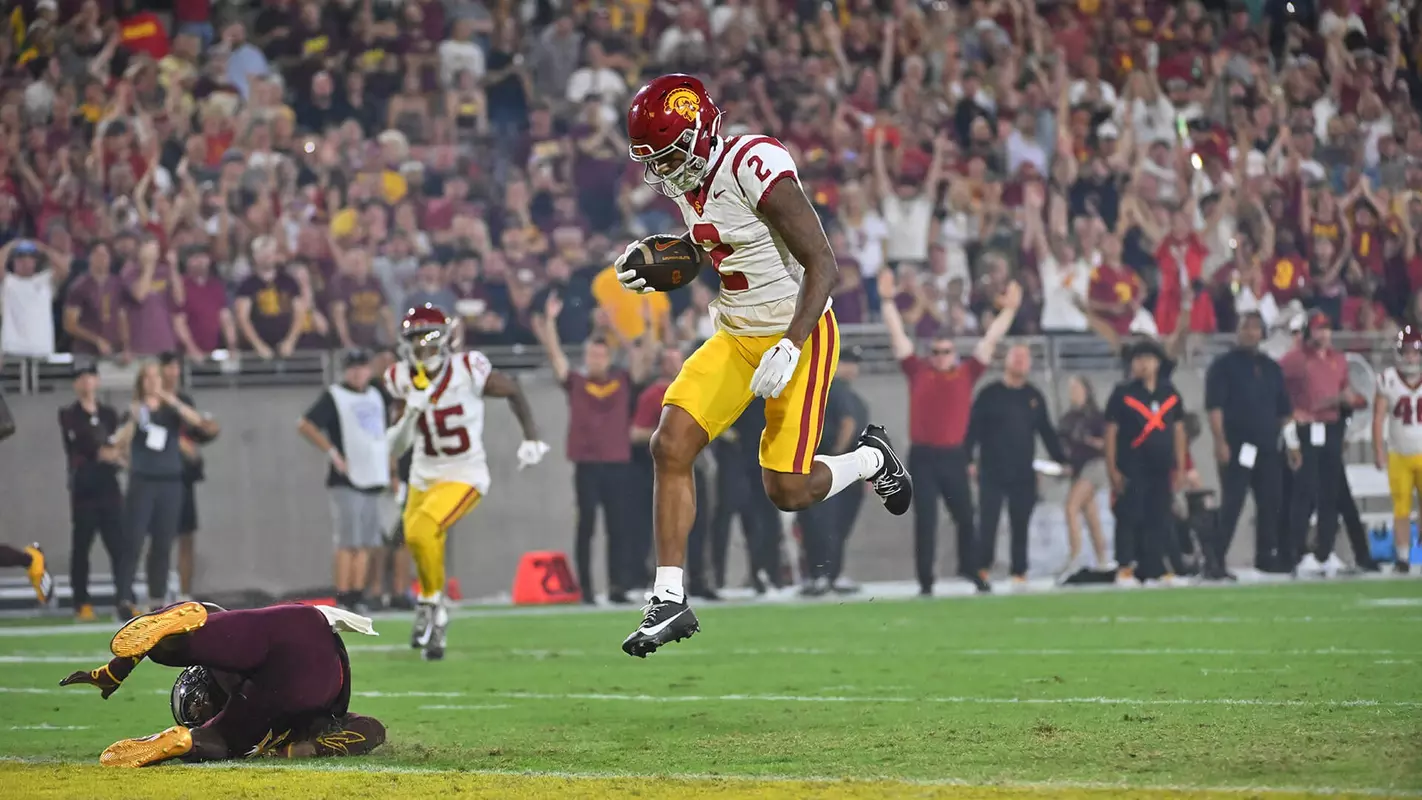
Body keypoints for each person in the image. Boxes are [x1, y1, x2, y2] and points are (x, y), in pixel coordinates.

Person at [613, 74, 911, 656]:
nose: (666, 172)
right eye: (655, 161)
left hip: (799, 330)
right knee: (669, 444)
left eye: (671, 155)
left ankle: (873, 457)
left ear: (701, 135)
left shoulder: (754, 162)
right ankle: (669, 597)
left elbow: (823, 264)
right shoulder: (688, 179)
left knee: (788, 490)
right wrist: (667, 260)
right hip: (735, 332)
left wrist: (792, 344)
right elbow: (721, 242)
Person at [383, 304, 549, 660]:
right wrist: (410, 413)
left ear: (444, 340)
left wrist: (532, 436)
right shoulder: (399, 378)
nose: (421, 348)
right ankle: (435, 607)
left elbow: (513, 389)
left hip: (464, 473)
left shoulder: (467, 368)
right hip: (423, 475)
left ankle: (431, 605)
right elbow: (397, 446)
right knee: (419, 540)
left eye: (428, 340)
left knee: (422, 530)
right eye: (415, 340)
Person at [58, 601, 385, 766]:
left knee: (220, 741)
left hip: (304, 686)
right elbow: (374, 729)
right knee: (198, 631)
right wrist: (115, 671)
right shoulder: (249, 701)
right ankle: (170, 644)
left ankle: (185, 740)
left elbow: (371, 730)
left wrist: (305, 749)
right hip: (302, 625)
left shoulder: (246, 714)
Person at [878, 268, 1022, 595]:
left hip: (953, 456)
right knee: (925, 520)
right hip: (924, 456)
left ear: (954, 353)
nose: (941, 357)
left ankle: (971, 569)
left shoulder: (966, 373)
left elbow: (991, 339)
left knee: (966, 518)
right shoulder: (918, 371)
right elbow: (898, 335)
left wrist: (1010, 311)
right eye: (937, 352)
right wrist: (887, 301)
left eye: (946, 352)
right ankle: (926, 582)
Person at [536, 294, 645, 604]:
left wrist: (614, 330)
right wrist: (551, 324)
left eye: (601, 355)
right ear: (586, 358)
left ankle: (617, 587)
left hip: (617, 463)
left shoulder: (622, 381)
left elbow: (640, 357)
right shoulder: (577, 383)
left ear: (608, 358)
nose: (596, 360)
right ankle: (585, 589)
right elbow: (556, 358)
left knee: (618, 528)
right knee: (586, 527)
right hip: (587, 463)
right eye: (592, 356)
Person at [112, 361, 216, 619]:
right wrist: (134, 421)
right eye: (147, 378)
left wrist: (171, 400)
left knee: (163, 542)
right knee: (134, 540)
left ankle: (156, 597)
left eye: (155, 377)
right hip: (143, 481)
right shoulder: (135, 411)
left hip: (170, 482)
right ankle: (124, 597)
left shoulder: (171, 411)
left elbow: (200, 423)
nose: (152, 382)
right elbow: (118, 443)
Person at [298, 349, 393, 611]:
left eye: (362, 367)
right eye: (353, 368)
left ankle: (357, 595)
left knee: (366, 543)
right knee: (348, 542)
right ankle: (343, 596)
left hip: (374, 475)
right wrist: (333, 453)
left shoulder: (376, 394)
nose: (358, 373)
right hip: (347, 479)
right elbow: (306, 424)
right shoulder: (335, 396)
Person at [966, 344, 1068, 585]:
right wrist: (967, 459)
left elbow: (1046, 431)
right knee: (988, 522)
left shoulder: (1034, 396)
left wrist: (1062, 460)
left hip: (1023, 470)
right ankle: (982, 568)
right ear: (1007, 361)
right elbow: (972, 430)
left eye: (1025, 358)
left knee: (1020, 522)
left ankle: (1019, 571)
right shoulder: (989, 394)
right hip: (991, 469)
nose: (1021, 362)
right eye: (1017, 357)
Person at [1205, 312, 1295, 579]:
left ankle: (1266, 556)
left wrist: (1292, 444)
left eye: (1256, 328)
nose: (1251, 333)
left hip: (1268, 448)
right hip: (1239, 447)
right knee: (1233, 502)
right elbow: (1215, 407)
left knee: (1271, 502)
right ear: (1237, 330)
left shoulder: (1271, 368)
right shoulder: (1223, 366)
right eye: (1247, 327)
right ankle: (1215, 558)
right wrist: (1220, 441)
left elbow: (1285, 411)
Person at [1279, 311, 1367, 577]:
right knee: (1304, 493)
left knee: (1330, 493)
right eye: (1319, 329)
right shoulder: (1295, 360)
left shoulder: (1338, 360)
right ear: (1309, 331)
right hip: (1307, 429)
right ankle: (1297, 552)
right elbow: (1278, 388)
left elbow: (1348, 391)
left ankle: (1324, 552)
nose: (1324, 334)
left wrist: (1350, 400)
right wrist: (1293, 412)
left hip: (1331, 426)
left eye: (1327, 328)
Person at [1104, 339, 1188, 585]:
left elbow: (1179, 430)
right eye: (1138, 359)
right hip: (1132, 465)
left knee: (1159, 516)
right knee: (1130, 515)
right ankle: (1125, 566)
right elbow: (1110, 432)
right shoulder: (1122, 393)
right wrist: (1112, 468)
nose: (1143, 364)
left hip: (1161, 466)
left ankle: (1154, 567)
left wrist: (1181, 466)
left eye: (1148, 359)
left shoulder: (1169, 393)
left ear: (1157, 363)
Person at [799, 346, 871, 594]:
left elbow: (856, 428)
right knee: (826, 524)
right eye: (847, 362)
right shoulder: (836, 388)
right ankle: (824, 574)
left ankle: (826, 575)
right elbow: (849, 424)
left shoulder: (848, 395)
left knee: (831, 524)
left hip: (840, 470)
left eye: (854, 363)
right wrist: (838, 457)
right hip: (837, 468)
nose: (851, 368)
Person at [58, 365, 124, 619]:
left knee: (118, 547)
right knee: (81, 547)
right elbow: (81, 443)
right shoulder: (69, 414)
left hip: (109, 488)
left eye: (90, 377)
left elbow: (117, 444)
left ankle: (123, 598)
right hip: (84, 490)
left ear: (97, 381)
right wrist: (102, 452)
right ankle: (81, 602)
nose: (86, 382)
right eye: (81, 378)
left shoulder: (109, 413)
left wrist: (113, 453)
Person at [160, 352, 220, 601]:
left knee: (186, 538)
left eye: (176, 366)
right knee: (161, 539)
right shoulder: (151, 402)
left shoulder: (183, 400)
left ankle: (185, 594)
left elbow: (200, 431)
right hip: (160, 478)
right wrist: (176, 443)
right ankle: (160, 592)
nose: (173, 372)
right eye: (168, 367)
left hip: (184, 477)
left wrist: (208, 431)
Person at [1372, 325, 1422, 576]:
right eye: (1407, 352)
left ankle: (1419, 554)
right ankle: (1403, 557)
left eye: (1415, 352)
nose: (1411, 357)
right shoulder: (1388, 379)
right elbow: (1378, 417)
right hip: (1399, 453)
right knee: (1401, 507)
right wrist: (1378, 450)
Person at [1057, 376, 1111, 576]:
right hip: (1078, 468)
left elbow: (1107, 443)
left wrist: (1088, 440)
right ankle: (1102, 559)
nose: (1073, 392)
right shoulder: (1067, 419)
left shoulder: (1096, 416)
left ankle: (1075, 555)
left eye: (1077, 387)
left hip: (1095, 465)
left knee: (1071, 506)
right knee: (1090, 514)